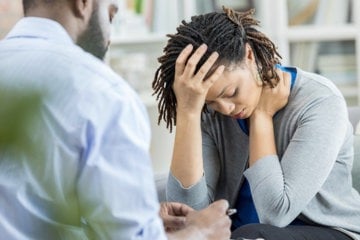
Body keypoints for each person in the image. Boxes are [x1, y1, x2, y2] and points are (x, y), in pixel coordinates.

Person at [0, 0, 232, 239]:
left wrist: (139, 219)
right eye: (110, 16)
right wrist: (201, 233)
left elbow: (25, 208)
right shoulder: (104, 94)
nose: (109, 37)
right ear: (83, 4)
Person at [152, 6, 360, 240]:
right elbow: (188, 217)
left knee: (252, 235)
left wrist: (262, 116)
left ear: (249, 56)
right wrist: (188, 111)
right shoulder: (209, 112)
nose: (226, 108)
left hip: (329, 231)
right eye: (211, 102)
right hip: (243, 234)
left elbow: (275, 214)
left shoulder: (319, 102)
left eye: (231, 92)